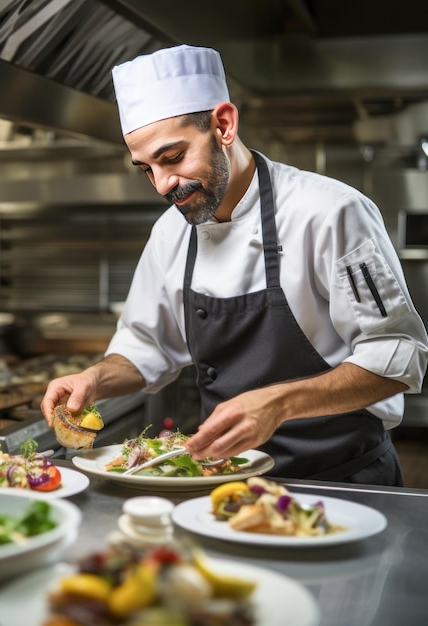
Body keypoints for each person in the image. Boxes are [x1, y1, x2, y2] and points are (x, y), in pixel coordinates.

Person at [41, 44, 428, 485]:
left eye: (172, 157)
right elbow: (145, 347)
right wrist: (95, 378)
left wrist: (278, 403)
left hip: (342, 480)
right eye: (146, 169)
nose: (163, 184)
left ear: (223, 124)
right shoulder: (171, 232)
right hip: (225, 484)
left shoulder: (329, 212)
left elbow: (398, 356)